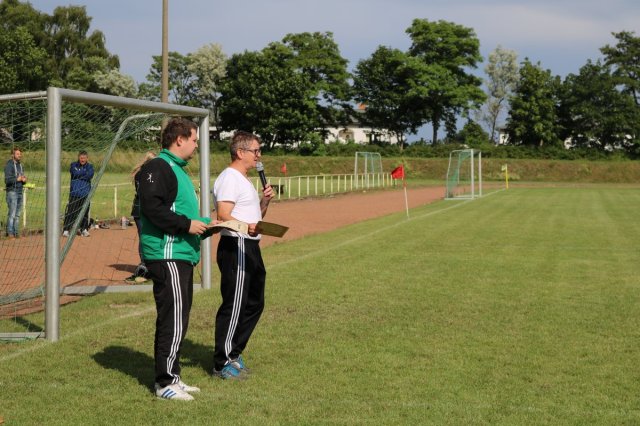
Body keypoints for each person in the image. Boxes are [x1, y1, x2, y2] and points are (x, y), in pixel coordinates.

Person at [138, 117, 211, 401]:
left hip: (181, 254)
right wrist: (186, 225)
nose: (196, 146)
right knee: (173, 318)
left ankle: (173, 377)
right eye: (194, 140)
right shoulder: (159, 167)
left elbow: (181, 213)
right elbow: (152, 208)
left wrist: (207, 224)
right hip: (167, 255)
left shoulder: (178, 170)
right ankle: (165, 382)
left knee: (178, 317)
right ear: (179, 139)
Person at [212, 130, 274, 380]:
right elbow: (223, 215)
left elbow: (254, 217)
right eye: (255, 151)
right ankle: (222, 362)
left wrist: (264, 202)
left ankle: (234, 353)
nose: (259, 155)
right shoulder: (229, 178)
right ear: (240, 152)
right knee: (235, 304)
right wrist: (246, 227)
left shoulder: (244, 179)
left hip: (250, 246)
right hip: (235, 245)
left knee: (255, 302)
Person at [126, 151, 156, 282]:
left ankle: (148, 263)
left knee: (145, 236)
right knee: (145, 236)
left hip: (141, 208)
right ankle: (145, 264)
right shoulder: (147, 174)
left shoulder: (142, 172)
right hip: (143, 208)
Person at [62, 150, 94, 237]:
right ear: (78, 158)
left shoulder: (90, 166)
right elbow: (74, 173)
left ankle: (84, 229)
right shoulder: (73, 165)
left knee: (84, 213)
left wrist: (79, 174)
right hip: (74, 193)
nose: (82, 159)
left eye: (84, 158)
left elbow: (90, 175)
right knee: (71, 212)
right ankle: (66, 230)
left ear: (87, 158)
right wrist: (84, 173)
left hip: (85, 194)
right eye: (81, 158)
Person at [4, 147, 27, 239]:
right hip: (12, 192)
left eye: (20, 154)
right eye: (17, 154)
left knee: (17, 214)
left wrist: (24, 180)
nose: (19, 155)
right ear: (12, 155)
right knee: (12, 214)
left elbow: (21, 178)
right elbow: (7, 180)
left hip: (20, 191)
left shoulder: (20, 165)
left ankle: (16, 232)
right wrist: (17, 179)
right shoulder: (9, 165)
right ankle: (10, 233)